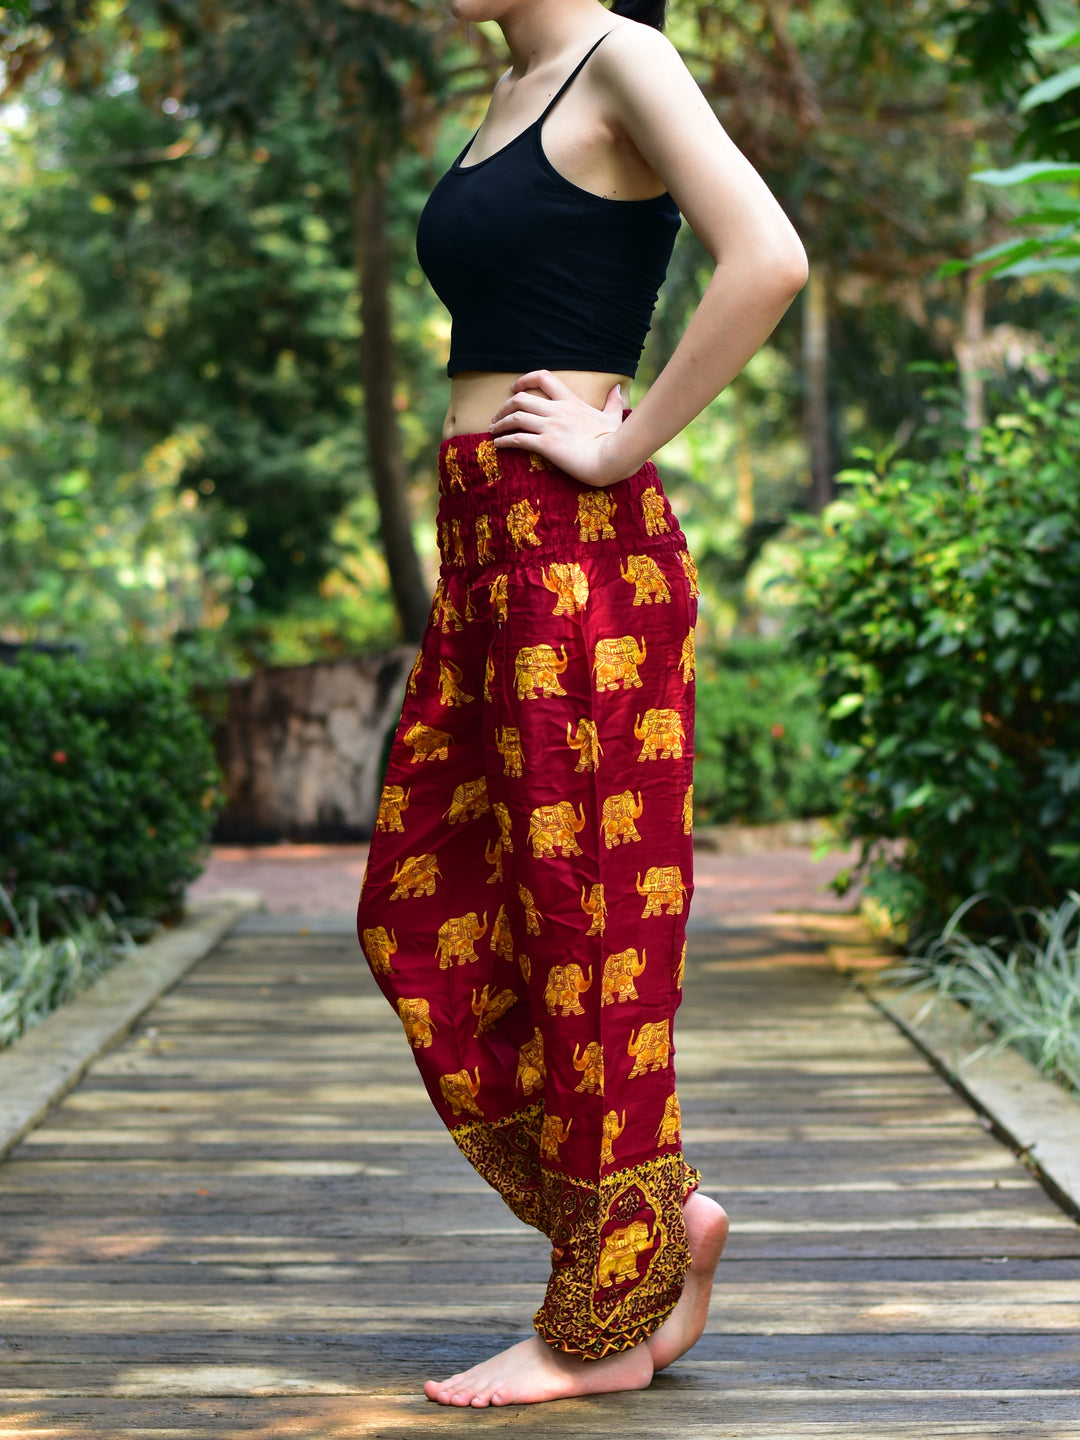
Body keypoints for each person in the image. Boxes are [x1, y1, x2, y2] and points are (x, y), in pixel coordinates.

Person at [355, 0, 807, 1407]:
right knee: (420, 909)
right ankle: (651, 1224)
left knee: (583, 929)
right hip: (489, 552)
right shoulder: (517, 82)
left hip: (576, 555)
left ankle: (597, 1328)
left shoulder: (625, 58)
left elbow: (769, 257)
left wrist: (624, 443)